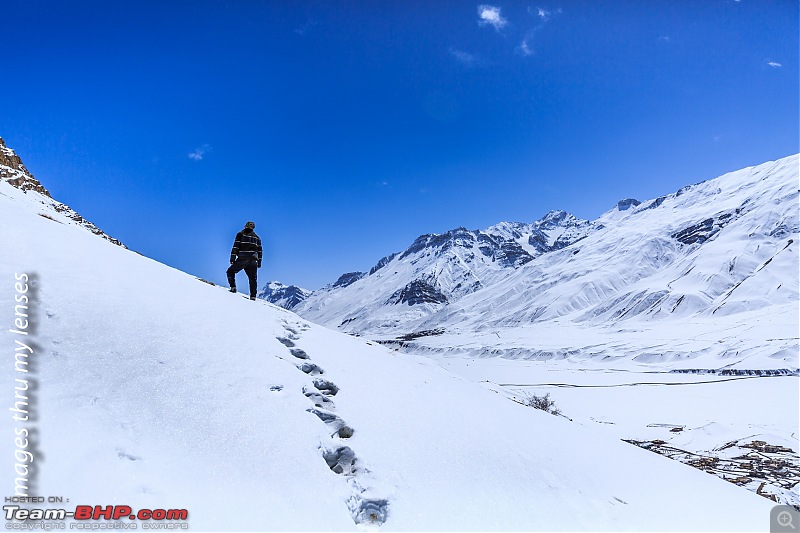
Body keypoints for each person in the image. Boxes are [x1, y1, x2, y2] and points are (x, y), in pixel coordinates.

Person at [227, 221, 262, 300]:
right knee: (253, 279)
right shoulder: (257, 237)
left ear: (245, 226)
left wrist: (232, 258)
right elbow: (260, 251)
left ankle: (233, 288)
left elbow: (236, 246)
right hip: (254, 260)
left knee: (230, 271)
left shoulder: (240, 234)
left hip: (243, 258)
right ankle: (253, 296)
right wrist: (259, 263)